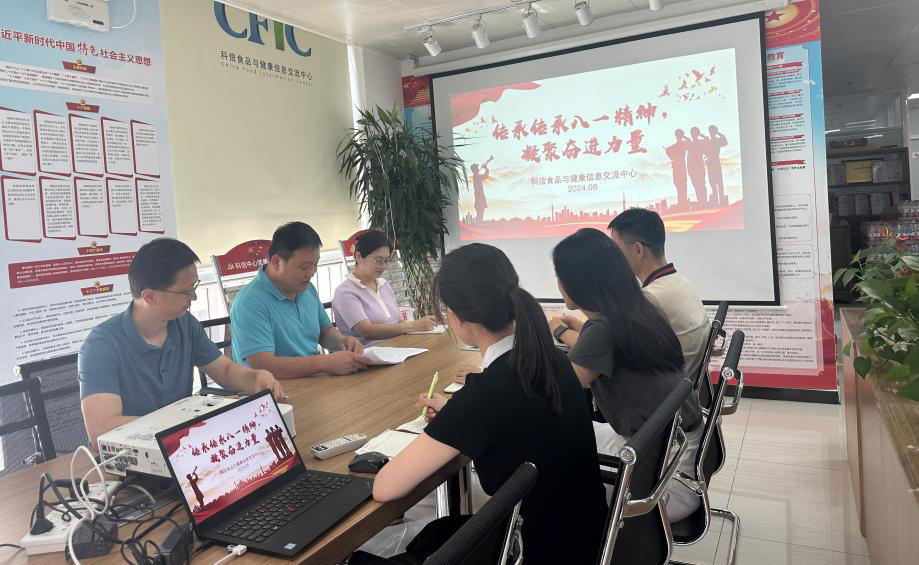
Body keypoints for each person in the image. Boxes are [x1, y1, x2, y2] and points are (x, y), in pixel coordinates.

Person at [350, 244, 606, 565]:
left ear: (455, 317)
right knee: (435, 534)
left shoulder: (485, 394)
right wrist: (455, 415)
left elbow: (386, 488)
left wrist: (458, 415)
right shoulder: (552, 360)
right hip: (584, 536)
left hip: (533, 549)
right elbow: (515, 420)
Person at [551, 228, 704, 523]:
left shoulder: (604, 329)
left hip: (661, 485)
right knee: (566, 434)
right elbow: (605, 350)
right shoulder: (641, 309)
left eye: (559, 275)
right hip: (675, 456)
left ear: (577, 281)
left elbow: (556, 391)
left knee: (546, 452)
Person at [78, 238, 285, 449]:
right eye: (186, 291)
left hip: (184, 447)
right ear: (149, 297)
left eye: (194, 286)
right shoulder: (101, 346)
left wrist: (256, 378)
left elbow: (224, 371)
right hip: (132, 456)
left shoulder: (185, 324)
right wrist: (194, 418)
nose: (194, 297)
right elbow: (102, 429)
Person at [550, 209, 709, 381]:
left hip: (659, 391)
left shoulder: (649, 299)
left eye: (614, 250)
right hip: (677, 388)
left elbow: (600, 349)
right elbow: (613, 342)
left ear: (638, 249)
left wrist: (560, 331)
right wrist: (584, 328)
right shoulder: (678, 283)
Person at [230, 222, 371, 378]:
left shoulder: (306, 288)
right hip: (274, 387)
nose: (311, 273)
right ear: (276, 261)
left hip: (314, 380)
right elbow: (264, 365)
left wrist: (342, 342)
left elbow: (324, 331)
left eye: (315, 265)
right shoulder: (249, 302)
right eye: (304, 267)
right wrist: (324, 362)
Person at [332, 230, 436, 345]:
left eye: (387, 260)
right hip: (369, 352)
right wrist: (413, 326)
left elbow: (399, 321)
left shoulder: (384, 285)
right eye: (378, 260)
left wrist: (425, 325)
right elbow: (367, 331)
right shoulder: (345, 292)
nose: (383, 266)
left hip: (398, 347)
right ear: (359, 256)